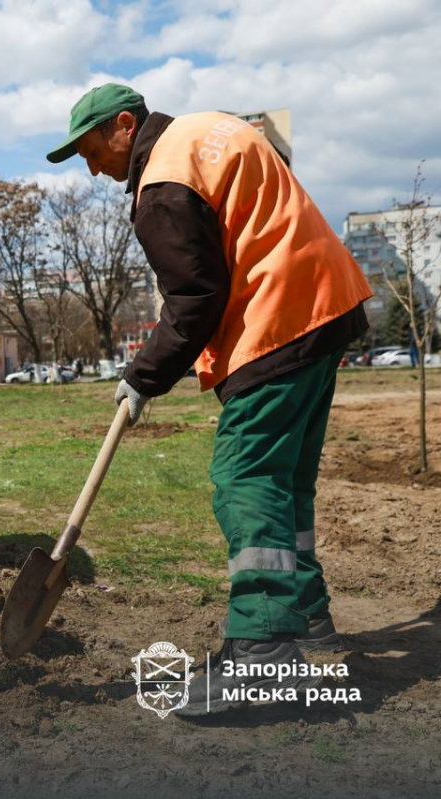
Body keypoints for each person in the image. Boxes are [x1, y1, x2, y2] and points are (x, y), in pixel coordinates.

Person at [49, 84, 372, 716]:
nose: (92, 169)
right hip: (325, 304)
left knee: (245, 476)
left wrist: (143, 376)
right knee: (285, 482)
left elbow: (194, 299)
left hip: (276, 320)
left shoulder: (162, 184)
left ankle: (266, 648)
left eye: (91, 151)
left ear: (123, 126)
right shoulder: (208, 131)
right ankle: (307, 618)